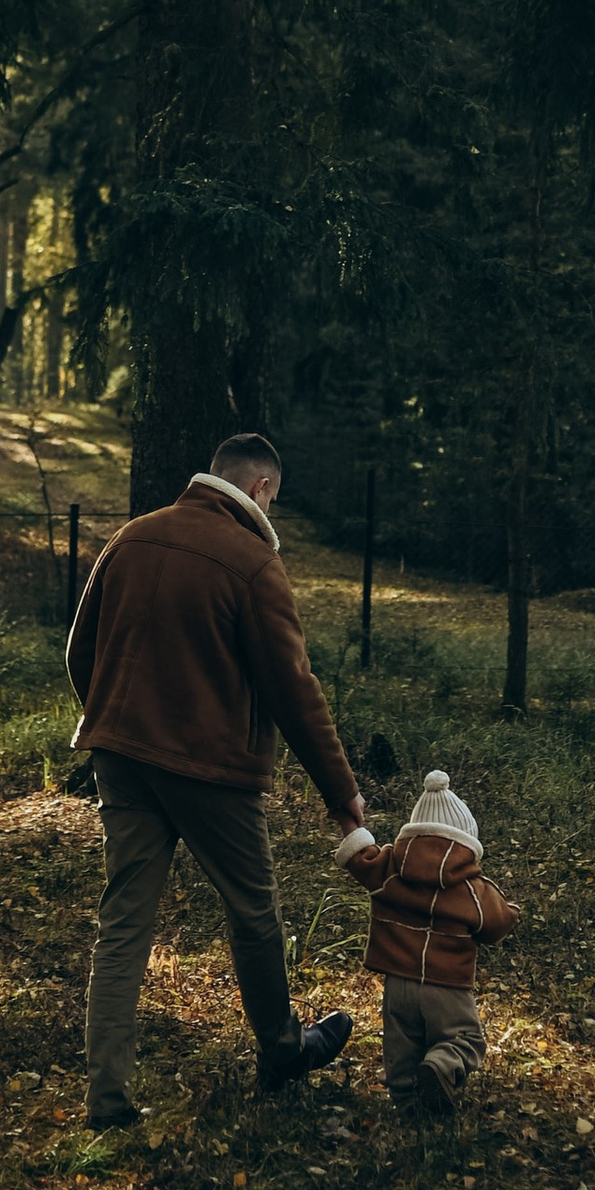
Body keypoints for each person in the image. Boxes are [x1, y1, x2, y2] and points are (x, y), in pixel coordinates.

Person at [69, 430, 363, 1129]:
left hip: (121, 755)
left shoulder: (132, 536)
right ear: (260, 489)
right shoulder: (253, 564)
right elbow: (294, 689)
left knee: (124, 922)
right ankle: (283, 1049)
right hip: (210, 770)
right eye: (276, 499)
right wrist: (342, 794)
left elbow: (81, 647)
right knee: (254, 914)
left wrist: (111, 718)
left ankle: (106, 1098)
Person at [331, 768, 521, 1114]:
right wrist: (511, 911)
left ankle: (406, 1104)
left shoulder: (389, 869)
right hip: (446, 984)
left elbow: (359, 857)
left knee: (401, 1046)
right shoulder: (473, 889)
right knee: (464, 1039)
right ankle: (442, 1064)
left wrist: (348, 820)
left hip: (398, 984)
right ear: (466, 842)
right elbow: (495, 925)